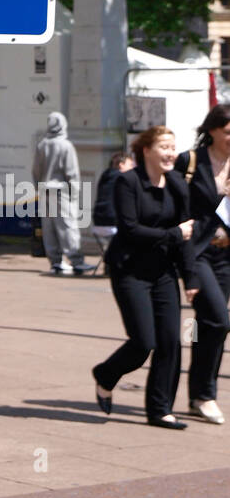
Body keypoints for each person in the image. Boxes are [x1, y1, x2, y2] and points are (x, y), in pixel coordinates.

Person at [92, 126, 198, 429]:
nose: (171, 152)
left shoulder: (177, 183)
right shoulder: (127, 182)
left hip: (163, 271)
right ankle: (106, 374)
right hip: (130, 270)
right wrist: (173, 233)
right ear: (147, 150)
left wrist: (191, 278)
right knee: (143, 342)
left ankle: (160, 409)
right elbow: (130, 229)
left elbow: (186, 233)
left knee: (170, 343)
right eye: (164, 146)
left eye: (173, 146)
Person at [175, 104, 230, 425]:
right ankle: (204, 394)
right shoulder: (191, 161)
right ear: (212, 131)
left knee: (210, 324)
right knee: (220, 321)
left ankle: (200, 395)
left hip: (226, 255)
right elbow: (176, 205)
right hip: (199, 251)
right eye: (227, 131)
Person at [32, 111, 95, 275]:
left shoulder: (42, 145)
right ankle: (77, 261)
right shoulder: (65, 146)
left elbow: (36, 171)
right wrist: (75, 194)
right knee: (68, 227)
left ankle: (55, 261)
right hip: (62, 192)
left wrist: (38, 187)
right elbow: (72, 173)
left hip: (45, 191)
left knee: (49, 228)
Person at [93, 151, 135, 226]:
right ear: (121, 165)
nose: (133, 168)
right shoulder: (122, 178)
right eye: (131, 165)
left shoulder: (105, 175)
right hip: (113, 221)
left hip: (98, 220)